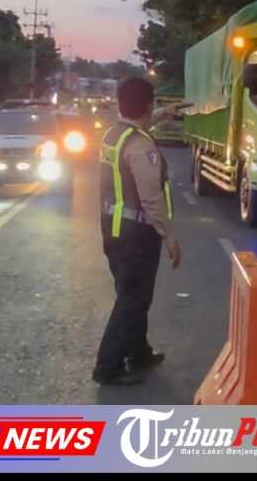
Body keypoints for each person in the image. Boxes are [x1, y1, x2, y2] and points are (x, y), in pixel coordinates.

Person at [93, 77, 183, 386]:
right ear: (147, 105)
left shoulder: (113, 135)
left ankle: (138, 352)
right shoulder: (142, 147)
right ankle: (107, 367)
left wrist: (164, 113)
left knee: (132, 295)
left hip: (114, 229)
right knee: (133, 299)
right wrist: (169, 237)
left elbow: (138, 124)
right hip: (136, 235)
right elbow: (151, 198)